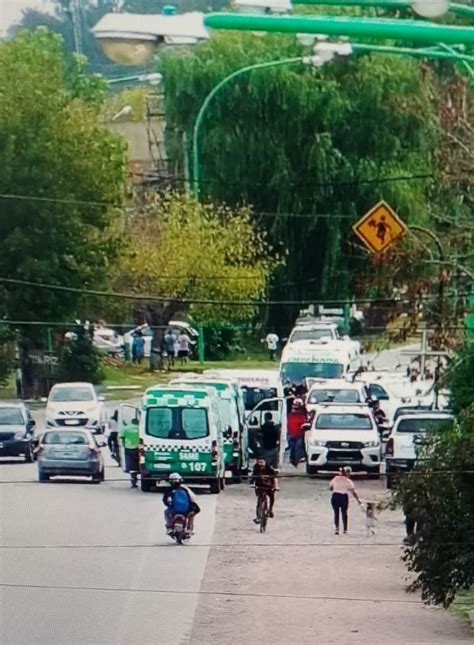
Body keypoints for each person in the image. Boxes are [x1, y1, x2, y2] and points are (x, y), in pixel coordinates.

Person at [329, 467, 362, 535]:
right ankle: (345, 529)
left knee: (336, 513)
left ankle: (337, 528)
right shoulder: (348, 481)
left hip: (335, 496)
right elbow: (353, 492)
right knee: (344, 513)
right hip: (343, 497)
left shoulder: (335, 479)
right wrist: (358, 500)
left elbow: (330, 488)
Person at [250, 457, 277, 522]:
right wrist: (252, 483)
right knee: (260, 501)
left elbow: (275, 478)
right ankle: (258, 517)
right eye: (259, 462)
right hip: (260, 487)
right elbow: (253, 477)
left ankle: (270, 510)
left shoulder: (269, 468)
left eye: (262, 462)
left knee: (271, 497)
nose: (261, 464)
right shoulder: (256, 468)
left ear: (265, 462)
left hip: (269, 486)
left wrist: (276, 486)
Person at [120, 417, 140, 488]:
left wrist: (123, 445)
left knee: (131, 465)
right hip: (138, 448)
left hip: (128, 448)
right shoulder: (139, 428)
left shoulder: (126, 428)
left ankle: (133, 481)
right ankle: (135, 479)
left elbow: (121, 437)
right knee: (137, 464)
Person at [287, 398, 307, 467]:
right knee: (293, 447)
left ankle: (296, 460)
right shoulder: (290, 415)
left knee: (297, 447)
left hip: (299, 434)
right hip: (291, 433)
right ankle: (293, 459)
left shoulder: (302, 414)